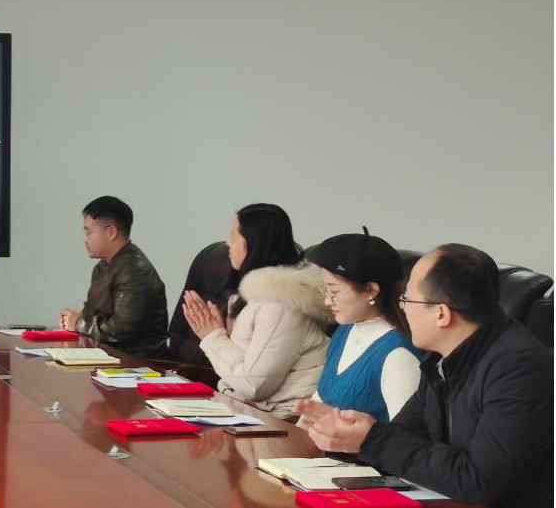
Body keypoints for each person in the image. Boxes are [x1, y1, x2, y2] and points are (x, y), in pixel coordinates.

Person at [299, 244, 553, 507]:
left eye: (407, 300)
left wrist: (372, 439)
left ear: (441, 314)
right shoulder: (442, 360)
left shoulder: (518, 369)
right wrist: (351, 437)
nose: (403, 309)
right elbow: (404, 435)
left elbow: (481, 481)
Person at [181, 203, 332, 421]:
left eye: (234, 235)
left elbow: (253, 385)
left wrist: (213, 336)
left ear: (254, 243)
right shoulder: (254, 296)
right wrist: (220, 334)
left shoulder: (280, 305)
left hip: (281, 421)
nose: (228, 243)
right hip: (249, 410)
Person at [298, 230, 421, 424]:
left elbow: (405, 436)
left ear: (371, 291)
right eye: (325, 289)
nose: (327, 301)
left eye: (334, 291)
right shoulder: (346, 329)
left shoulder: (398, 356)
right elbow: (323, 397)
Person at [58, 196, 169, 358]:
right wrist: (76, 318)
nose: (85, 239)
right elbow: (95, 315)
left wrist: (79, 323)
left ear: (111, 232)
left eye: (88, 232)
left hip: (137, 363)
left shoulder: (134, 270)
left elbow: (120, 331)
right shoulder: (102, 267)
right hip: (109, 357)